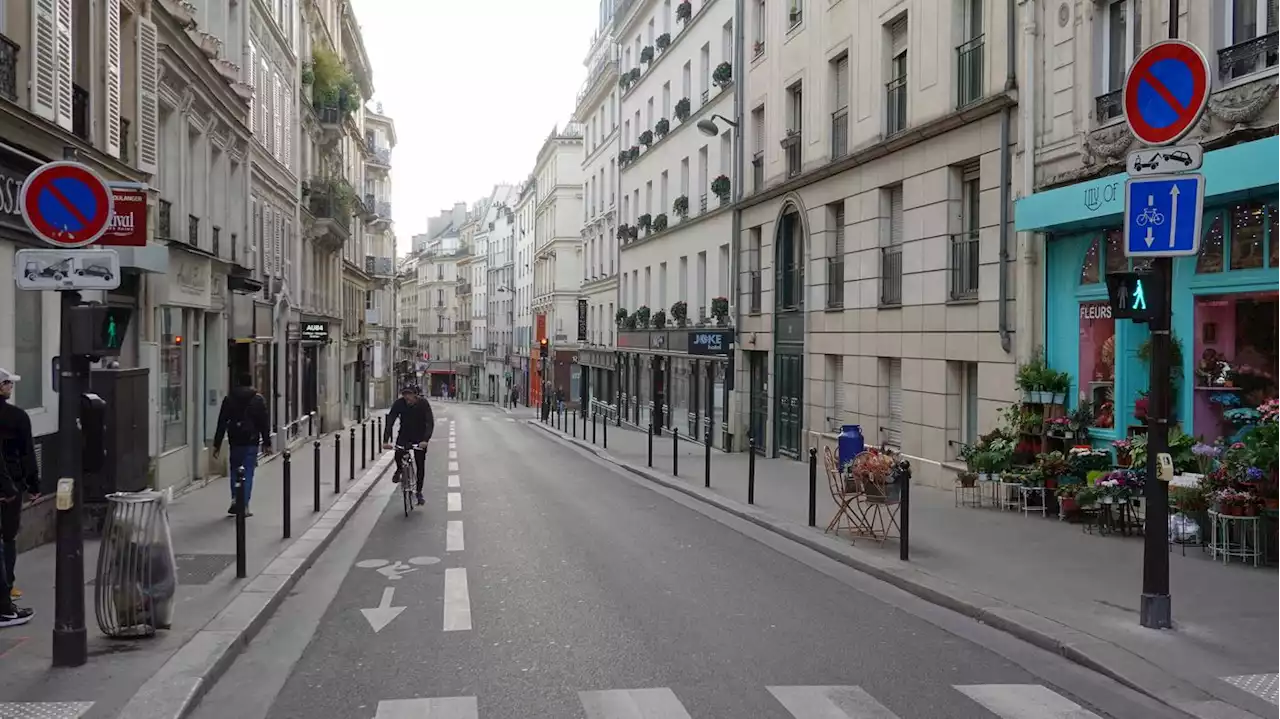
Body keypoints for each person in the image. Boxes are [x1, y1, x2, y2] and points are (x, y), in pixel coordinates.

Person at [0, 369, 36, 627]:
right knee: (7, 538)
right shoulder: (17, 417)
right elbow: (27, 454)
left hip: (8, 485)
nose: (10, 387)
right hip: (9, 486)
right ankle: (6, 592)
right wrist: (32, 485)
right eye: (7, 383)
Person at [212, 374, 271, 517]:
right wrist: (267, 443)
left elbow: (222, 422)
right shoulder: (258, 399)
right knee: (248, 472)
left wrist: (217, 444)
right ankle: (243, 504)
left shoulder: (229, 399)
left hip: (235, 440)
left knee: (235, 471)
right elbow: (264, 423)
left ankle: (235, 499)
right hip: (251, 441)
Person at [383, 384, 434, 505]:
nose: (407, 397)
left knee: (420, 464)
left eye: (409, 394)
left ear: (415, 395)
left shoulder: (423, 404)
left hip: (420, 437)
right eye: (404, 394)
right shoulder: (399, 403)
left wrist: (425, 440)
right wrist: (385, 441)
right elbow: (390, 420)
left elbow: (430, 422)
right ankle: (399, 470)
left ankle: (419, 491)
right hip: (404, 435)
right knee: (398, 453)